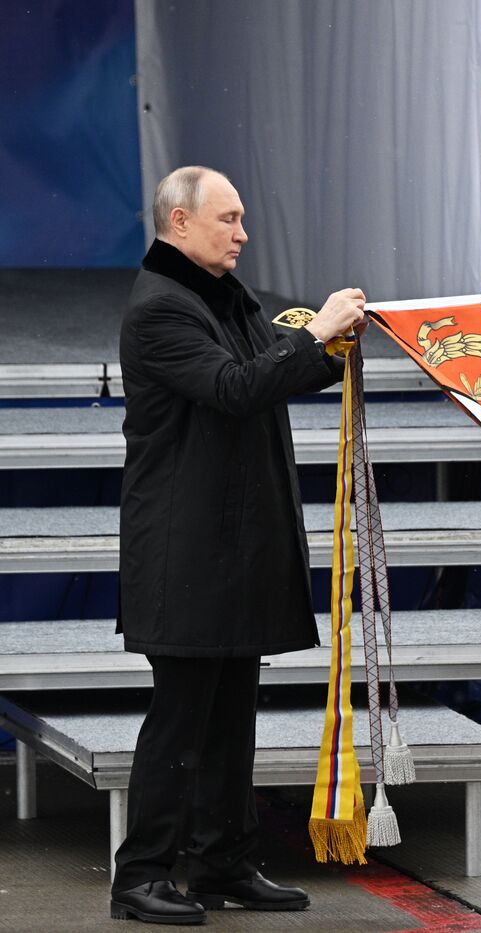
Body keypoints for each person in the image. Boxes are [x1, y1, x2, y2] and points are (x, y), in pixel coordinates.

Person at [111, 165, 365, 925]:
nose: (242, 234)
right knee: (181, 719)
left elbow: (267, 369)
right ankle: (140, 876)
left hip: (230, 546)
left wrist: (333, 343)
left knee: (230, 718)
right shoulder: (161, 307)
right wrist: (314, 334)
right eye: (228, 219)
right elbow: (232, 387)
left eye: (241, 219)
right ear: (179, 223)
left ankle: (223, 861)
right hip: (186, 551)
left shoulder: (221, 294)